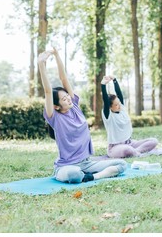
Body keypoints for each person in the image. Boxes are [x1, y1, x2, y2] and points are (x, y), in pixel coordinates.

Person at [38, 48, 127, 183]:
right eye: (64, 99)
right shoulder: (54, 117)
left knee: (122, 164)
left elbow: (63, 78)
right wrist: (41, 65)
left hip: (87, 163)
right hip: (66, 166)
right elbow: (48, 91)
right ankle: (84, 175)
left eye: (67, 96)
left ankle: (92, 177)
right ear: (56, 106)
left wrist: (56, 55)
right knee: (73, 174)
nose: (68, 99)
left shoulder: (74, 106)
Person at [101, 75, 158, 158]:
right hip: (115, 147)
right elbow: (106, 101)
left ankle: (136, 152)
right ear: (110, 107)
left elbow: (119, 95)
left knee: (154, 141)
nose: (119, 105)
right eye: (116, 105)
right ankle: (136, 152)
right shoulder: (108, 115)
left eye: (119, 103)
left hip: (130, 143)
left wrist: (115, 80)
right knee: (127, 150)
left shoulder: (122, 109)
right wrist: (103, 85)